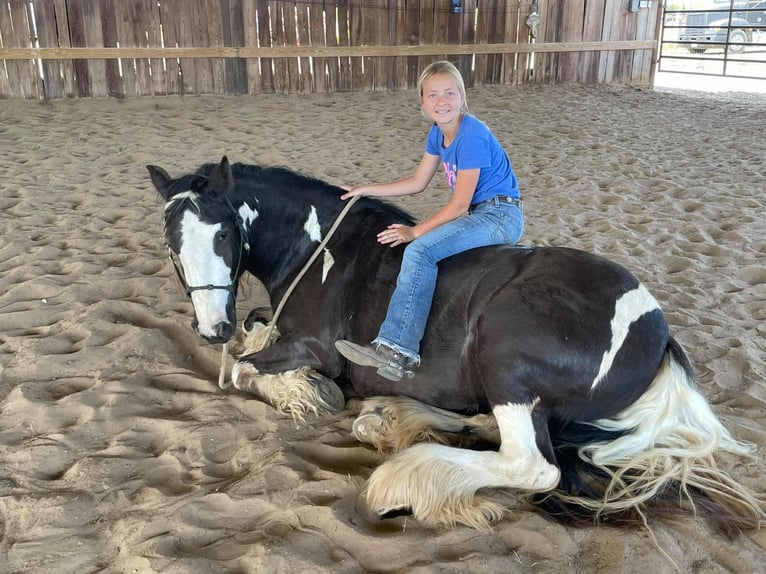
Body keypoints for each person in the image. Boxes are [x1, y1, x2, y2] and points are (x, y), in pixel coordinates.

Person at [334, 60, 524, 382]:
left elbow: (460, 203)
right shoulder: (438, 134)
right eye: (433, 95)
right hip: (483, 214)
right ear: (422, 102)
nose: (442, 102)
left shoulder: (472, 135)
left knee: (420, 251)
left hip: (499, 215)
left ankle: (398, 350)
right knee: (425, 248)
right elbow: (418, 182)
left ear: (462, 97)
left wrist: (415, 231)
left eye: (450, 93)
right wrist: (365, 189)